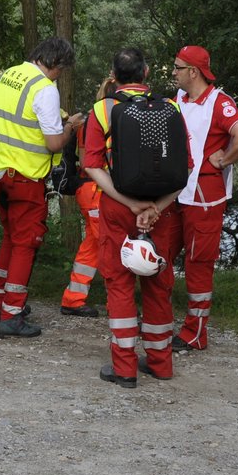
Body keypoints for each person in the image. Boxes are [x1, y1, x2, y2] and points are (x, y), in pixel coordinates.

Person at [83, 49, 186, 387]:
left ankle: (124, 367)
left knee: (120, 284)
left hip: (118, 209)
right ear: (147, 72)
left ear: (113, 76)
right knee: (158, 284)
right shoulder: (170, 108)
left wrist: (131, 204)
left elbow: (93, 165)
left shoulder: (102, 110)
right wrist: (155, 206)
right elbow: (186, 167)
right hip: (163, 211)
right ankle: (160, 363)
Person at [0, 37, 86, 338]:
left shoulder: (6, 76)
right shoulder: (44, 88)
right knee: (26, 243)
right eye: (61, 70)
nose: (59, 76)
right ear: (55, 63)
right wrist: (71, 127)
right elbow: (53, 143)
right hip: (25, 176)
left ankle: (0, 301)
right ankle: (12, 314)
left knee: (11, 238)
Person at [172, 44, 238, 351]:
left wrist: (224, 159)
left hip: (203, 197)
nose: (173, 73)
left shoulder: (220, 102)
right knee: (160, 256)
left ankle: (195, 332)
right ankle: (158, 321)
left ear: (193, 72)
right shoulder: (178, 98)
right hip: (175, 194)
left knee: (198, 263)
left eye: (178, 68)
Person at [58, 74, 117, 319]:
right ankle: (117, 301)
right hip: (95, 190)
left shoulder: (92, 119)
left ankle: (73, 298)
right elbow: (86, 161)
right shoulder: (98, 122)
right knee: (108, 245)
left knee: (93, 246)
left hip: (91, 190)